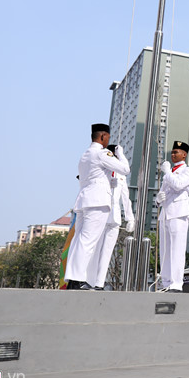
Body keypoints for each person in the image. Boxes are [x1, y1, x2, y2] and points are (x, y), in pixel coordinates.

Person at [65, 123, 130, 291]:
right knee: (88, 241)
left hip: (84, 201)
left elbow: (94, 176)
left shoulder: (85, 155)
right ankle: (79, 279)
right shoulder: (102, 153)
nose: (108, 140)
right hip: (97, 202)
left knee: (78, 240)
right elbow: (125, 169)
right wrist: (120, 154)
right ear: (102, 137)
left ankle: (72, 279)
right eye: (107, 137)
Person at [90, 143, 136, 290]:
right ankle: (88, 280)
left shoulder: (121, 176)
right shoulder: (100, 172)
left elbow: (126, 198)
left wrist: (130, 218)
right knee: (94, 249)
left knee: (107, 252)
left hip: (114, 217)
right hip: (101, 213)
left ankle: (99, 283)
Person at [156, 141, 189, 292]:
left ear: (184, 155)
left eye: (176, 152)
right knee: (165, 251)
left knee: (177, 249)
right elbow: (163, 191)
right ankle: (166, 283)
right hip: (166, 213)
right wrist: (158, 199)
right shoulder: (170, 172)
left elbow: (178, 185)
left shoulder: (188, 170)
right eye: (172, 152)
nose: (173, 155)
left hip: (179, 212)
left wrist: (167, 172)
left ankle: (176, 284)